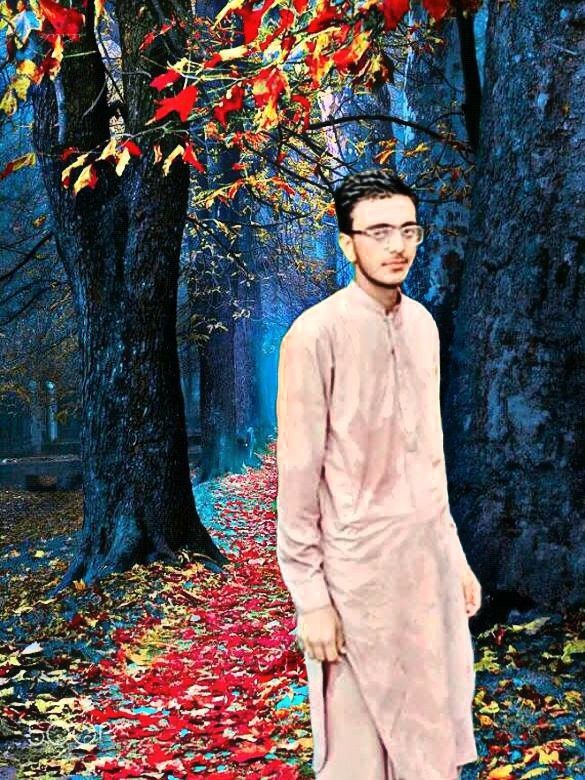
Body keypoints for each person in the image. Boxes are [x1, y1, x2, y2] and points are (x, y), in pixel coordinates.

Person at [275, 169, 482, 780]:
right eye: (379, 232)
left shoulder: (423, 327)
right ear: (347, 243)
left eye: (408, 231)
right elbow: (298, 480)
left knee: (432, 746)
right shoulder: (314, 335)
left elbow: (430, 458)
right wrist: (311, 600)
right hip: (353, 574)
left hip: (425, 567)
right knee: (357, 757)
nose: (397, 246)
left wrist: (454, 556)